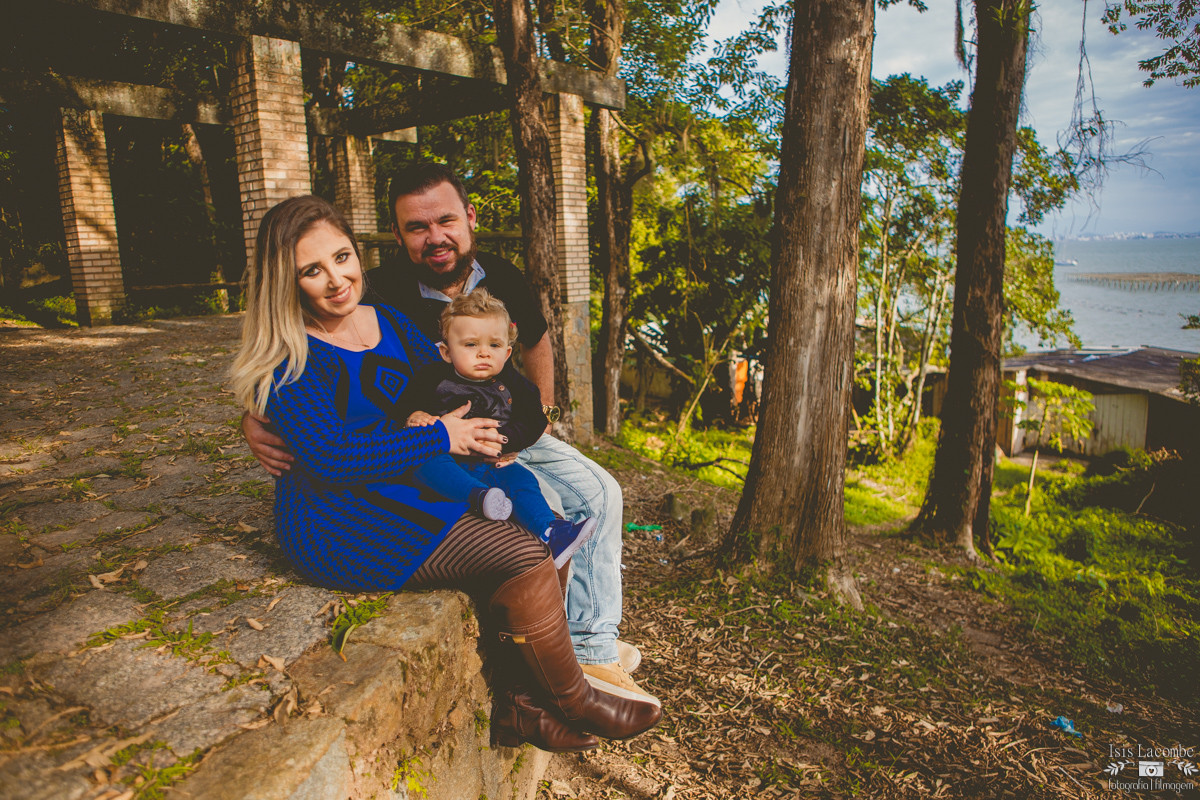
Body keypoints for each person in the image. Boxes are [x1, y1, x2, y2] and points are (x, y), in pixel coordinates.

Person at [229, 195, 660, 752]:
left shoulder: (386, 319)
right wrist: (441, 436)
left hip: (409, 479)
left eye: (341, 257)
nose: (336, 279)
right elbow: (333, 458)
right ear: (285, 282)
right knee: (523, 552)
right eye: (312, 270)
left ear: (356, 252)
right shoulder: (289, 356)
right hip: (340, 519)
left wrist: (493, 430)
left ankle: (522, 708)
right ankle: (575, 699)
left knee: (542, 529)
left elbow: (449, 375)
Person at [403, 288, 596, 569]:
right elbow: (403, 407)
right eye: (471, 345)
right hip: (448, 460)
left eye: (494, 346)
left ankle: (550, 532)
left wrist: (505, 440)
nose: (483, 353)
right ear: (446, 351)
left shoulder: (514, 384)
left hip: (493, 463)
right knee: (425, 464)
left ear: (506, 352)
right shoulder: (430, 379)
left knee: (523, 481)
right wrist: (415, 415)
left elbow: (534, 419)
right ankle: (479, 497)